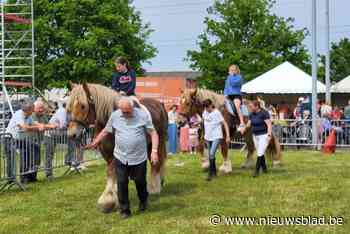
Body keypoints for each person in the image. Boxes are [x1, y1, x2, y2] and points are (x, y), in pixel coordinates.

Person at [85, 97, 159, 219]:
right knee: (122, 183)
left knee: (140, 181)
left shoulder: (142, 115)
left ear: (133, 108)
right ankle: (125, 210)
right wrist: (95, 141)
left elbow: (153, 133)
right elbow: (105, 131)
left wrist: (154, 151)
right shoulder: (115, 116)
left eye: (128, 112)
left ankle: (143, 201)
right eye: (123, 112)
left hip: (139, 157)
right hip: (121, 156)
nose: (125, 114)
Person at [5, 99, 43, 184]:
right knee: (11, 159)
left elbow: (33, 123)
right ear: (29, 109)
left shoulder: (28, 115)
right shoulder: (19, 114)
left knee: (34, 147)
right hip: (9, 139)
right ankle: (11, 179)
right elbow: (24, 127)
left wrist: (40, 125)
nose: (33, 110)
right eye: (33, 108)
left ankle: (29, 172)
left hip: (19, 140)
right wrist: (37, 128)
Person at [202, 99, 230, 181]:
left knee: (211, 154)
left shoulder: (217, 113)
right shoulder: (204, 112)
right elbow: (204, 124)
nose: (207, 109)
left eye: (208, 107)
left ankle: (210, 174)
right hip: (208, 137)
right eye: (205, 107)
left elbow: (224, 124)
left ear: (211, 105)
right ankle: (214, 173)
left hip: (216, 136)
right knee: (212, 156)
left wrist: (227, 136)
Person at [244, 100, 272, 177]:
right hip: (255, 136)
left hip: (264, 135)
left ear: (257, 106)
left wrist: (269, 135)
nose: (250, 108)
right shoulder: (251, 114)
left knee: (259, 152)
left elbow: (269, 125)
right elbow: (249, 124)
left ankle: (256, 171)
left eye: (251, 107)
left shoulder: (264, 113)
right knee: (261, 152)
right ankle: (265, 169)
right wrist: (243, 128)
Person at [224, 64, 245, 134]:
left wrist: (231, 76)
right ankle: (231, 122)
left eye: (233, 70)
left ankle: (242, 122)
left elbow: (233, 83)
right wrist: (225, 94)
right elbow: (226, 87)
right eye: (230, 70)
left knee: (237, 106)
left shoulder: (239, 77)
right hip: (229, 95)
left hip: (236, 95)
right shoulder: (228, 78)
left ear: (236, 70)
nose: (232, 71)